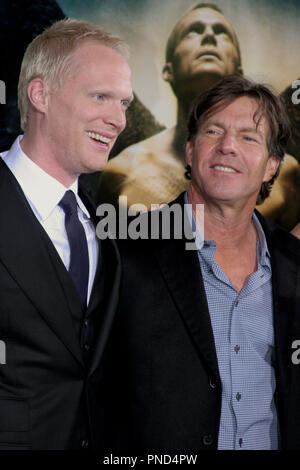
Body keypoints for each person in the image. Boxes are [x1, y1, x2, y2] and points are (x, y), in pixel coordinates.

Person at [103, 75, 300, 451]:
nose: (227, 146)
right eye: (213, 131)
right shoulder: (125, 249)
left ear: (272, 165)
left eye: (248, 137)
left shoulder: (292, 264)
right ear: (191, 151)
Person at [0, 18, 133, 449]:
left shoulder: (105, 226)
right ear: (41, 94)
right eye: (101, 97)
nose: (117, 119)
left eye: (125, 104)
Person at [98, 3, 300, 230]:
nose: (209, 36)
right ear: (168, 70)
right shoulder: (120, 172)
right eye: (193, 31)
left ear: (239, 70)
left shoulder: (285, 173)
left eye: (222, 33)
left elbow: (291, 261)